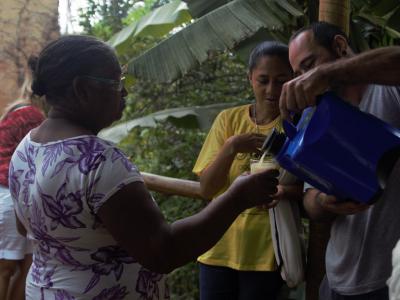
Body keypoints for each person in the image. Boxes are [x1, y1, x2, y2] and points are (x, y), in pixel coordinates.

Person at [9, 35, 280, 299]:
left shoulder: (25, 149)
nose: (124, 91)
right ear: (82, 89)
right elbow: (163, 251)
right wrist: (237, 198)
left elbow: (26, 229)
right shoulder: (98, 162)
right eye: (116, 83)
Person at [279, 21, 400, 300]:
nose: (303, 80)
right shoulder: (317, 119)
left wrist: (326, 74)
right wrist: (323, 201)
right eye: (298, 74)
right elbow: (310, 201)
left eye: (309, 65)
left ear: (340, 46)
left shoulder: (388, 90)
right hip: (339, 281)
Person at [192, 41, 303, 300]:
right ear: (250, 78)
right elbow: (207, 188)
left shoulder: (298, 125)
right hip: (216, 247)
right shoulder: (228, 121)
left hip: (266, 253)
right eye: (263, 80)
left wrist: (284, 191)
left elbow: (315, 185)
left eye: (280, 80)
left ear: (293, 79)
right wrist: (232, 146)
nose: (271, 89)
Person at [0, 93, 44, 300]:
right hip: (9, 192)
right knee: (6, 267)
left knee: (27, 266)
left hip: (15, 193)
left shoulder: (19, 109)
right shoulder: (32, 115)